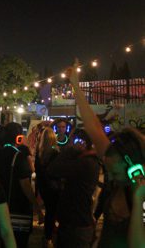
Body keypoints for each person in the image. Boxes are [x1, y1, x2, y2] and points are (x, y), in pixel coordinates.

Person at [66, 60, 145, 248]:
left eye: (115, 173)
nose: (110, 177)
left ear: (133, 166)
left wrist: (139, 198)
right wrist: (76, 84)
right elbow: (93, 126)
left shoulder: (141, 197)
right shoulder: (115, 162)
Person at [47, 128, 100, 247]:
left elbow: (53, 169)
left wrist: (70, 151)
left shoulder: (85, 163)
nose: (69, 144)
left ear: (81, 142)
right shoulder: (88, 161)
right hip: (76, 220)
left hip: (76, 223)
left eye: (71, 141)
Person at [0, 122, 43, 248]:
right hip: (18, 208)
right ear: (18, 137)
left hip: (1, 206)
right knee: (19, 242)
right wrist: (37, 207)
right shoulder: (18, 156)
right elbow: (25, 185)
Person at [34, 127, 60, 247]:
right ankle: (49, 236)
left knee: (49, 210)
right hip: (53, 186)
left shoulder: (39, 153)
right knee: (52, 211)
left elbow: (38, 171)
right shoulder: (55, 153)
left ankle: (47, 235)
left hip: (43, 186)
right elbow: (57, 171)